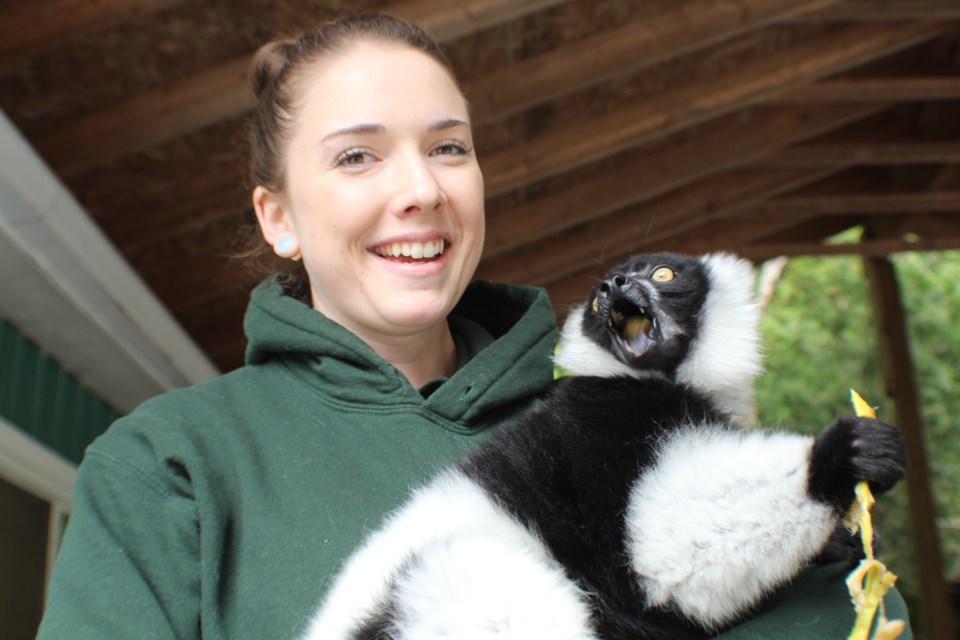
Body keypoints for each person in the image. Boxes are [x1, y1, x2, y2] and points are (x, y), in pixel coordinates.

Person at [36, 12, 910, 639]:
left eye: (449, 146)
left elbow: (847, 610)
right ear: (279, 219)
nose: (422, 188)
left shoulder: (622, 414)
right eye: (357, 156)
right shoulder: (172, 464)